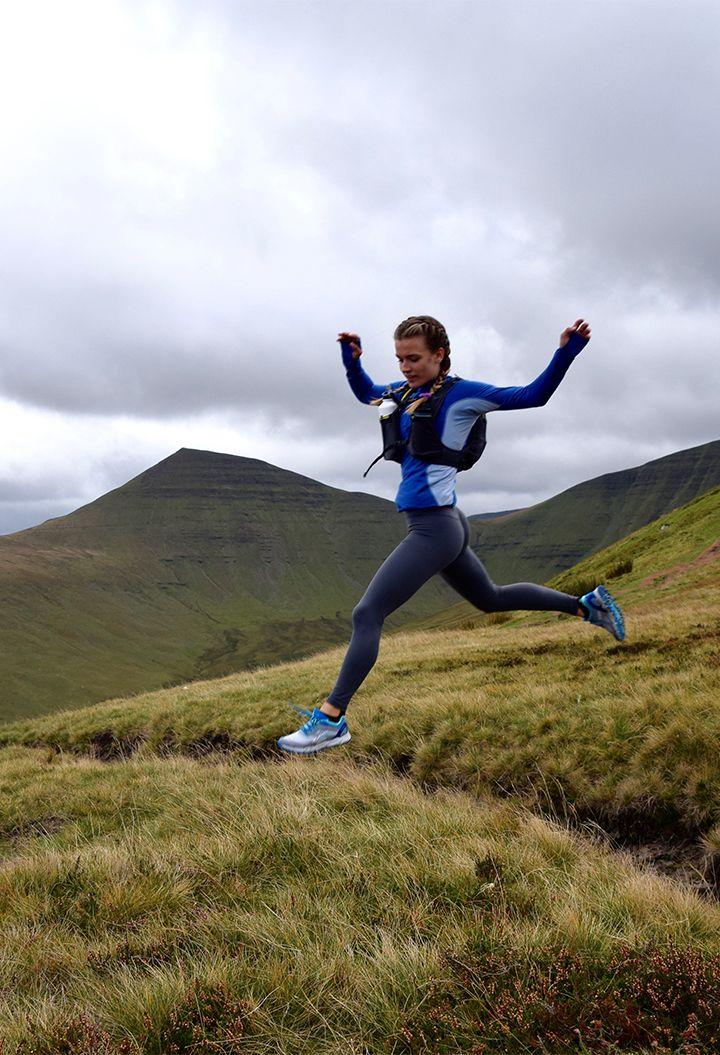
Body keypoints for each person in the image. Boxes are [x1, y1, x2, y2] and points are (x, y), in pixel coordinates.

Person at [278, 315, 625, 755]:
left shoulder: (464, 395)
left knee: (367, 614)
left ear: (440, 354)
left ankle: (330, 719)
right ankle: (586, 607)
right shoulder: (404, 393)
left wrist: (566, 352)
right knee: (491, 598)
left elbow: (533, 396)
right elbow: (366, 393)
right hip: (446, 522)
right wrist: (351, 361)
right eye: (400, 359)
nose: (405, 367)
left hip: (434, 529)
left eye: (415, 358)